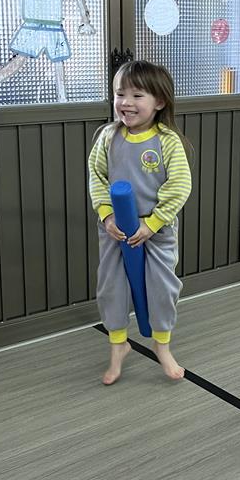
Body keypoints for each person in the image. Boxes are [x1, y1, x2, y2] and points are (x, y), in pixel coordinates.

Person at [88, 61, 191, 384]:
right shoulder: (108, 136)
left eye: (137, 95)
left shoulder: (166, 141)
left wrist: (153, 223)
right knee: (111, 287)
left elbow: (180, 186)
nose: (126, 103)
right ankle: (118, 345)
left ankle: (162, 345)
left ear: (159, 101)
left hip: (156, 231)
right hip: (116, 231)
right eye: (120, 94)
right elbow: (97, 177)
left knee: (162, 288)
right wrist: (107, 216)